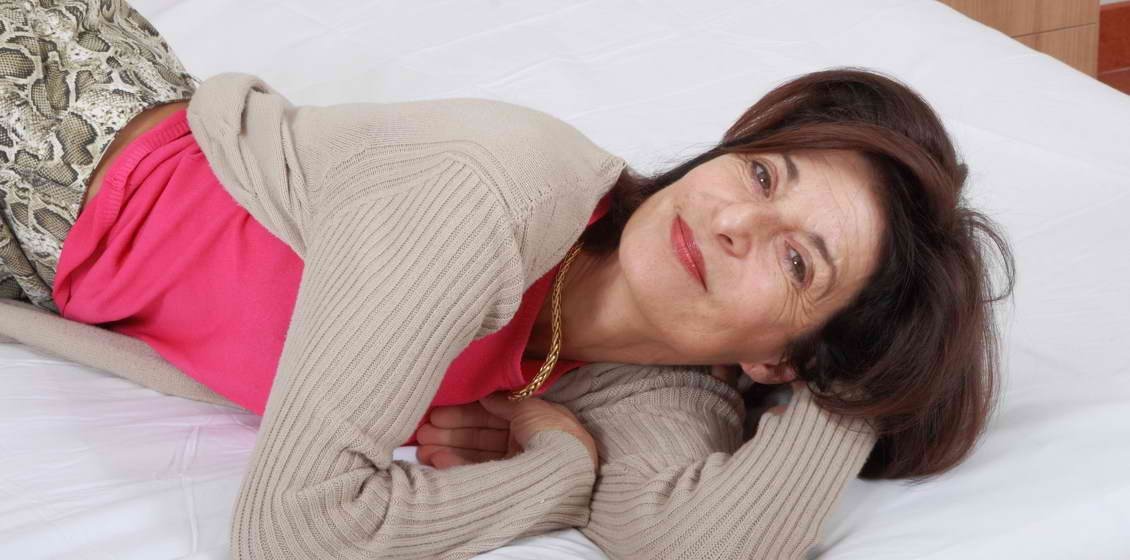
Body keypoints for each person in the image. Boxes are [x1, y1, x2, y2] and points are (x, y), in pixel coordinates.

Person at [0, 1, 1014, 559]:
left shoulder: (646, 378)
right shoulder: (491, 195)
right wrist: (556, 476)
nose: (733, 221)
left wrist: (867, 379)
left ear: (779, 360)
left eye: (797, 260)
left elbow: (699, 541)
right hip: (49, 127)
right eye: (761, 174)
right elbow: (294, 529)